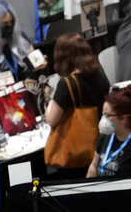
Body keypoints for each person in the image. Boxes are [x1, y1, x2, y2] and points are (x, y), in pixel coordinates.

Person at [45, 33, 111, 172]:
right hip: (101, 146)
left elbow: (52, 120)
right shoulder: (99, 74)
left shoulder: (67, 83)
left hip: (75, 154)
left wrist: (50, 102)